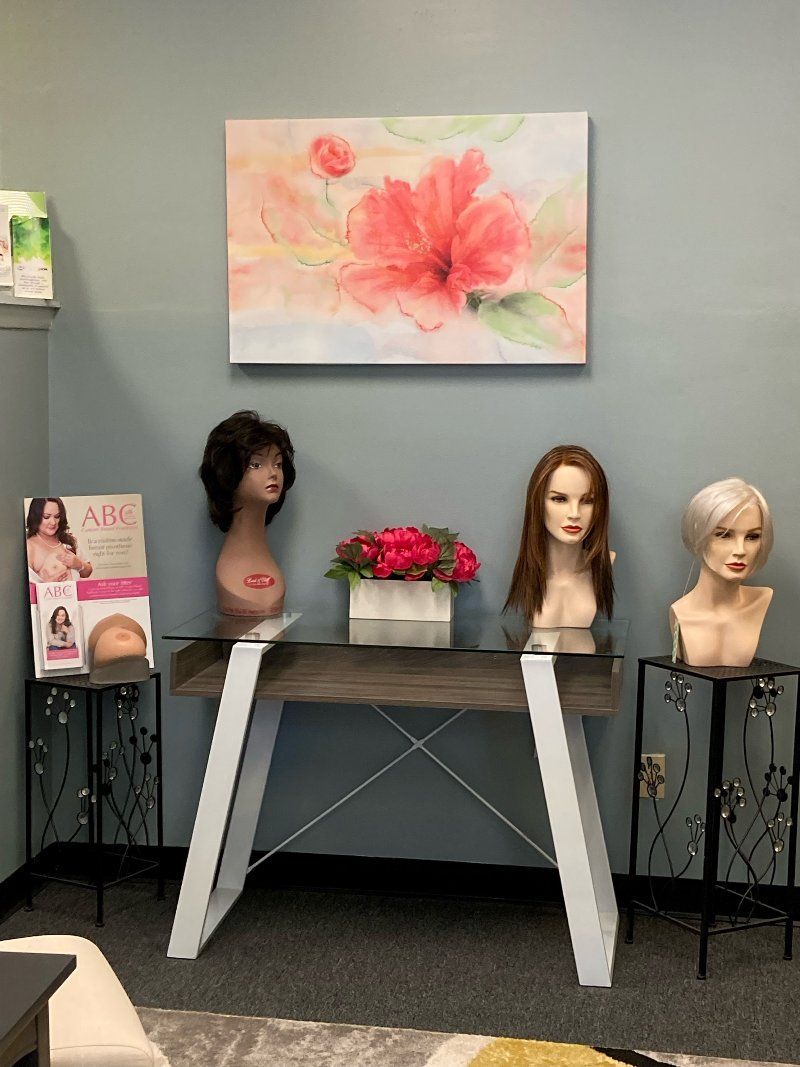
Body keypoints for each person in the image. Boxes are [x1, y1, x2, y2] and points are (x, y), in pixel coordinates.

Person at [505, 445, 614, 628]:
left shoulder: (606, 562)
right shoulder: (531, 571)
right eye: (559, 499)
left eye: (587, 501)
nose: (574, 514)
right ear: (538, 503)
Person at [200, 410, 296, 617]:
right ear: (228, 472)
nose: (273, 473)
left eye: (277, 464)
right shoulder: (230, 569)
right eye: (256, 464)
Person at [670, 478, 773, 667]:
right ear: (698, 533)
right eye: (724, 535)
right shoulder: (681, 613)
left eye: (752, 537)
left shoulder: (761, 600)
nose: (740, 550)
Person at [26, 497, 93, 582]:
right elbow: (28, 589)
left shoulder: (69, 540)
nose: (53, 522)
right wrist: (48, 584)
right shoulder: (29, 547)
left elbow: (88, 572)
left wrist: (79, 565)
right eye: (46, 517)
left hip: (76, 594)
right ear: (35, 517)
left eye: (57, 516)